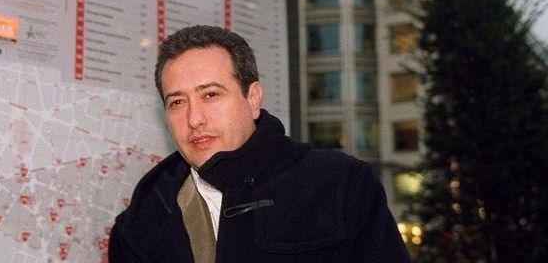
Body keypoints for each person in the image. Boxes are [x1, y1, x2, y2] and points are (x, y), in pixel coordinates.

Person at [108, 25, 411, 262]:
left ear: (252, 99)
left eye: (210, 95)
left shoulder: (342, 186)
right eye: (177, 102)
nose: (194, 119)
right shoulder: (139, 226)